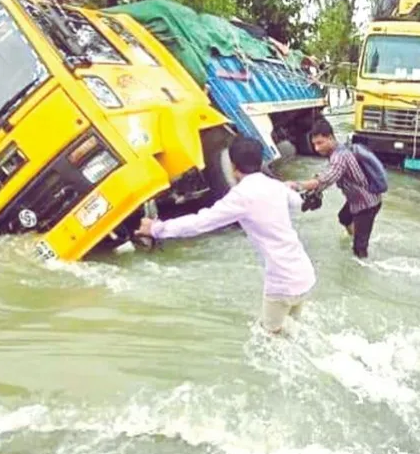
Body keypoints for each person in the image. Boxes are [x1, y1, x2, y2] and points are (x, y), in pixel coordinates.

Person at [135, 135, 315, 335]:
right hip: (304, 274)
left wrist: (155, 229)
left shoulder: (241, 196)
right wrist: (289, 187)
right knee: (293, 333)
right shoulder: (275, 185)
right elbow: (297, 202)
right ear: (260, 160)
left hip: (282, 282)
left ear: (233, 165)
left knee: (269, 338)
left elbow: (200, 223)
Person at [286, 119, 382, 259]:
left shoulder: (339, 156)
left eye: (320, 143)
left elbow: (326, 178)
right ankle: (357, 236)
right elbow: (332, 177)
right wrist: (313, 192)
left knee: (360, 251)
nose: (317, 148)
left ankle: (361, 261)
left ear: (330, 138)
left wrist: (297, 185)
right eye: (314, 144)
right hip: (357, 199)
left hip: (367, 204)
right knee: (344, 217)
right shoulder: (339, 150)